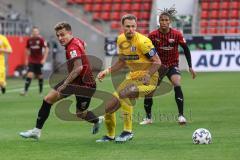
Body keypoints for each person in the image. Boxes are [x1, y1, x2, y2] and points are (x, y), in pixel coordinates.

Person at [19, 22, 103, 140]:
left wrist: (65, 83)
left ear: (70, 33)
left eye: (62, 35)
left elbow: (78, 68)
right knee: (48, 99)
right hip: (74, 81)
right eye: (58, 35)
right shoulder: (77, 40)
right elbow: (85, 44)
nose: (60, 38)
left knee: (80, 114)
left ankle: (97, 120)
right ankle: (36, 131)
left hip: (85, 85)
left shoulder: (72, 47)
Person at [96, 14, 161, 143]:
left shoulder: (143, 42)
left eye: (133, 26)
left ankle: (128, 132)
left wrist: (147, 74)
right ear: (122, 27)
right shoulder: (120, 40)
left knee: (125, 93)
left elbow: (157, 62)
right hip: (132, 77)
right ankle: (110, 136)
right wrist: (107, 71)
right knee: (108, 107)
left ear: (136, 26)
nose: (130, 29)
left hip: (150, 80)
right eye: (127, 26)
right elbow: (121, 62)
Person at [140, 7, 196, 125]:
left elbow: (186, 49)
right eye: (161, 20)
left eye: (166, 20)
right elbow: (145, 51)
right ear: (158, 21)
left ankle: (181, 116)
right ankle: (148, 118)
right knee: (149, 91)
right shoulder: (152, 35)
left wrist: (190, 66)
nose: (164, 22)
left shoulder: (176, 34)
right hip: (158, 67)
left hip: (172, 65)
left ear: (170, 21)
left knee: (177, 83)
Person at [20, 26, 49, 96]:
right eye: (34, 31)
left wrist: (44, 59)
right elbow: (26, 49)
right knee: (30, 74)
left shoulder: (41, 40)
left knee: (40, 76)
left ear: (38, 32)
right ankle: (25, 91)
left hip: (39, 61)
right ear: (32, 32)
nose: (35, 33)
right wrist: (26, 59)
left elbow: (47, 49)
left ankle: (40, 92)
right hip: (31, 60)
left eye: (36, 31)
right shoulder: (29, 40)